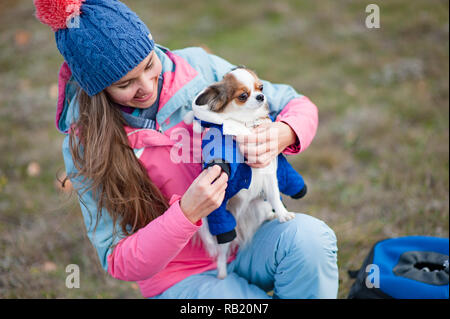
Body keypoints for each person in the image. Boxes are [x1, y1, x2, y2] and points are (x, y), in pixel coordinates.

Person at [34, 0, 338, 298]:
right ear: (99, 89)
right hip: (181, 276)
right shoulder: (87, 143)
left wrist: (283, 133)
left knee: (311, 240)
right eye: (126, 83)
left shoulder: (197, 67)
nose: (147, 87)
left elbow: (296, 103)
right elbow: (117, 259)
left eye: (149, 64)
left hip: (249, 238)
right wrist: (185, 213)